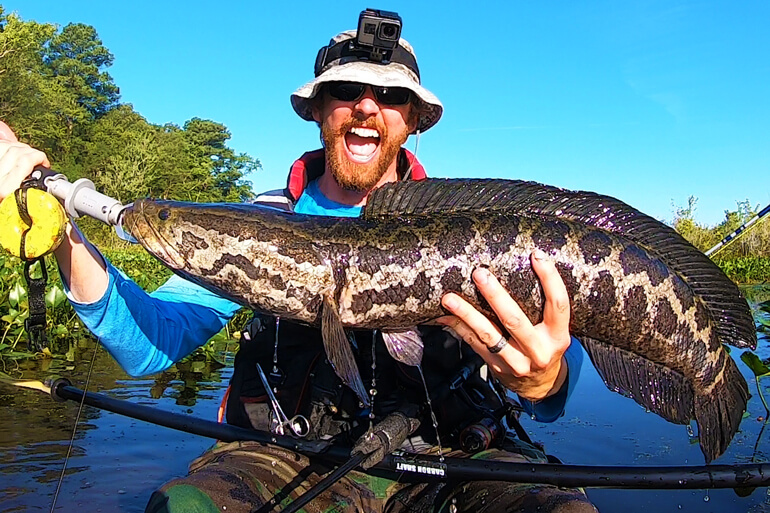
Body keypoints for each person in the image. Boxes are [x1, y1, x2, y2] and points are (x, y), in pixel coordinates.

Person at [0, 14, 598, 513]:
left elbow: (551, 393)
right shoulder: (256, 222)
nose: (367, 106)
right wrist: (64, 238)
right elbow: (152, 344)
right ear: (319, 110)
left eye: (391, 96)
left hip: (453, 462)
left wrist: (546, 382)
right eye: (346, 92)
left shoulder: (476, 232)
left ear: (414, 120)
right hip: (285, 459)